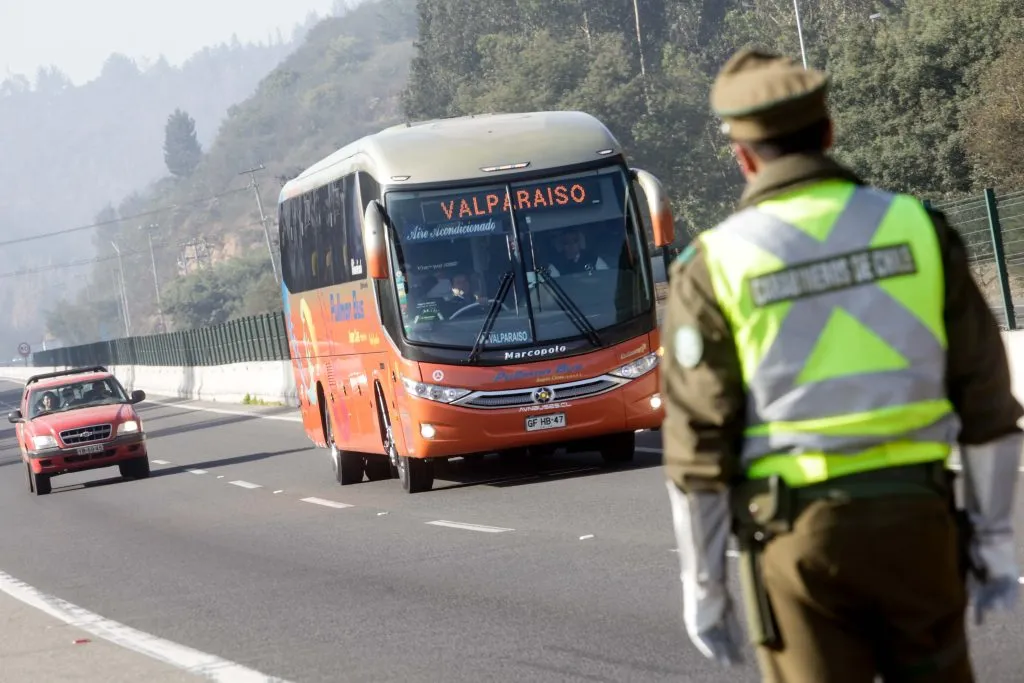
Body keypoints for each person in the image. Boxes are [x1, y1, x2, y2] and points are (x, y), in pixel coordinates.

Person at [660, 48, 1022, 683]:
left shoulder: (715, 264)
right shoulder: (917, 228)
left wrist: (705, 588)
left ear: (743, 157)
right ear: (828, 132)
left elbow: (698, 449)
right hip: (919, 522)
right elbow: (987, 403)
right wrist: (993, 543)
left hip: (797, 537)